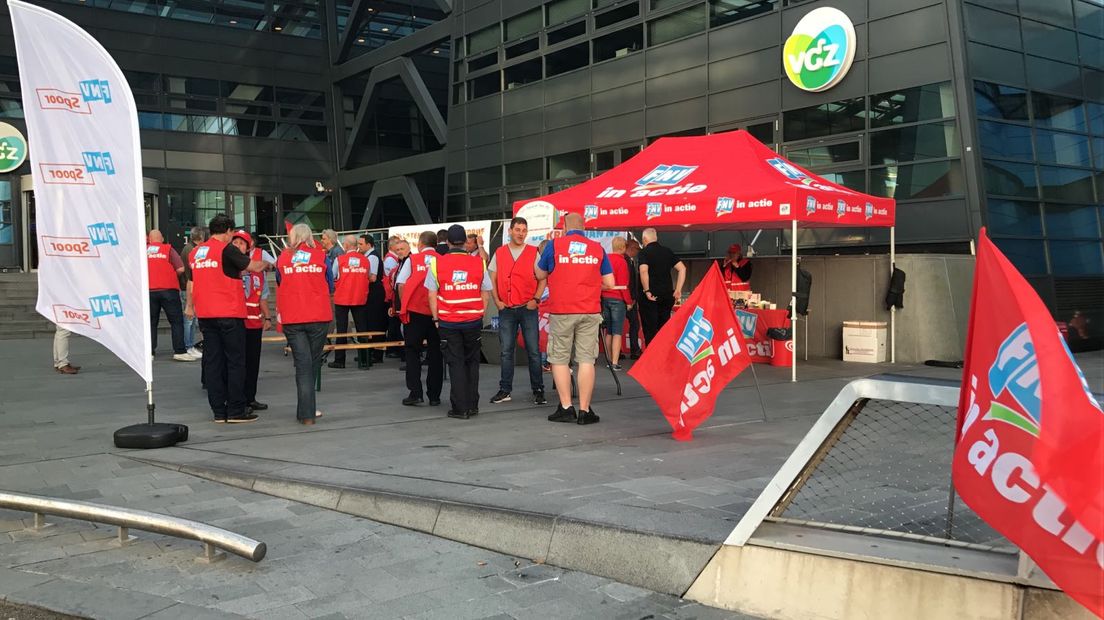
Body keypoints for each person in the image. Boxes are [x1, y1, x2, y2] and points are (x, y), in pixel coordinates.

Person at [185, 214, 269, 424]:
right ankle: (235, 409)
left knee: (213, 362)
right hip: (229, 313)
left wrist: (189, 306)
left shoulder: (196, 252)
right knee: (235, 362)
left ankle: (218, 411)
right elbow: (252, 267)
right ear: (229, 231)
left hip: (206, 314)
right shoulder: (226, 249)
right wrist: (267, 264)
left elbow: (191, 281)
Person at [536, 213, 614, 425]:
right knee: (587, 359)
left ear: (564, 227)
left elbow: (540, 274)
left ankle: (566, 407)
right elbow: (610, 281)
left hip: (562, 310)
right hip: (589, 310)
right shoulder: (597, 248)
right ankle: (584, 410)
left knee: (559, 358)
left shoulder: (554, 245)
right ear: (584, 226)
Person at [428, 224, 492, 420]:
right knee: (472, 362)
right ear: (465, 242)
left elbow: (432, 294)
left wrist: (436, 318)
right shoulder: (479, 263)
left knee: (455, 363)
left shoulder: (436, 263)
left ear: (447, 242)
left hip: (449, 321)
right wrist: (479, 312)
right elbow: (486, 293)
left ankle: (460, 407)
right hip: (473, 320)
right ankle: (472, 405)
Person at [277, 223, 333, 425]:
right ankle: (308, 411)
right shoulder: (321, 256)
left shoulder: (283, 258)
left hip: (293, 316)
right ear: (310, 237)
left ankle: (307, 413)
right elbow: (331, 283)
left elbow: (279, 280)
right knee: (312, 363)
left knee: (302, 365)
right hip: (318, 316)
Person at [488, 217, 546, 406]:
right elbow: (493, 278)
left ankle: (538, 390)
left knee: (533, 351)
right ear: (510, 231)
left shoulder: (533, 252)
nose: (521, 233)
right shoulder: (500, 252)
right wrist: (497, 301)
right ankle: (505, 389)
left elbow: (542, 278)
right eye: (518, 229)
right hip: (507, 308)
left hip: (527, 308)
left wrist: (536, 299)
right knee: (506, 351)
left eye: (524, 230)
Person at [397, 230, 443, 406]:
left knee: (412, 352)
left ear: (420, 245)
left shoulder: (412, 260)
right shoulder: (442, 260)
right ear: (436, 245)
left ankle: (416, 393)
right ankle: (435, 396)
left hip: (415, 312)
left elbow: (401, 284)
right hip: (437, 314)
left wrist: (405, 304)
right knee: (436, 354)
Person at [230, 230, 271, 412]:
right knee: (237, 364)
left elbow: (261, 296)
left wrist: (267, 317)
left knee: (253, 363)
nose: (238, 245)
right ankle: (236, 400)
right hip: (236, 322)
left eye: (242, 243)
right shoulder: (229, 268)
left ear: (248, 247)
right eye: (235, 242)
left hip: (254, 323)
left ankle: (250, 398)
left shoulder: (257, 271)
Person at [147, 229, 194, 362]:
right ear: (161, 239)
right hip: (169, 290)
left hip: (149, 290)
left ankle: (149, 352)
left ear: (149, 240)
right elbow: (180, 268)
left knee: (151, 322)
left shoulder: (143, 251)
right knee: (176, 321)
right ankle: (179, 351)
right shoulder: (168, 249)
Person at [637, 227, 686, 345]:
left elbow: (644, 271)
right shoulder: (667, 251)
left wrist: (647, 290)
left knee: (650, 329)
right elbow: (682, 268)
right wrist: (678, 289)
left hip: (650, 297)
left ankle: (652, 358)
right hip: (666, 294)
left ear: (644, 239)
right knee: (664, 328)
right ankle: (664, 357)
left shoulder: (643, 253)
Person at [328, 235, 370, 369]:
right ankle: (364, 359)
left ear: (345, 245)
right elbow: (368, 276)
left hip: (342, 298)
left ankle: (340, 360)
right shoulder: (365, 260)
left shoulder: (340, 260)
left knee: (342, 330)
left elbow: (333, 276)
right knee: (362, 329)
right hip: (360, 298)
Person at [601, 236, 632, 371]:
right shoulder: (622, 262)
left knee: (609, 331)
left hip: (605, 298)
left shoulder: (606, 259)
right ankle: (614, 362)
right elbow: (623, 284)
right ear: (623, 248)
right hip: (618, 299)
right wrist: (629, 302)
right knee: (618, 332)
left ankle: (608, 360)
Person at [359, 234, 390, 363]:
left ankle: (376, 354)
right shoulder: (368, 256)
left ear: (369, 244)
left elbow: (372, 277)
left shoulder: (372, 257)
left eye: (361, 244)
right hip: (372, 294)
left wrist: (358, 276)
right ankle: (370, 351)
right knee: (371, 323)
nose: (359, 246)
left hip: (374, 294)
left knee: (375, 323)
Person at [181, 226, 208, 359]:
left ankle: (190, 345)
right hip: (189, 286)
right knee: (189, 320)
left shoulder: (190, 248)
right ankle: (188, 346)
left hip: (190, 286)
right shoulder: (192, 250)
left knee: (191, 320)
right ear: (201, 237)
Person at [382, 237, 405, 359]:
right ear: (392, 247)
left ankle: (393, 348)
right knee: (394, 323)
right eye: (397, 246)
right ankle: (393, 348)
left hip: (392, 293)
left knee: (394, 323)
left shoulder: (392, 258)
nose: (399, 249)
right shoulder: (391, 260)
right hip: (392, 294)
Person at [624, 239, 643, 359]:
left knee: (633, 324)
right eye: (637, 249)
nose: (637, 252)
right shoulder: (626, 261)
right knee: (634, 324)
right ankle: (635, 349)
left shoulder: (630, 261)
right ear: (631, 248)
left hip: (629, 297)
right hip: (628, 298)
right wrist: (631, 298)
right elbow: (628, 282)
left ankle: (634, 349)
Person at [320, 228, 342, 294]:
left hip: (335, 288)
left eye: (324, 239)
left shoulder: (337, 251)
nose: (321, 240)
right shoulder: (332, 251)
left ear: (330, 240)